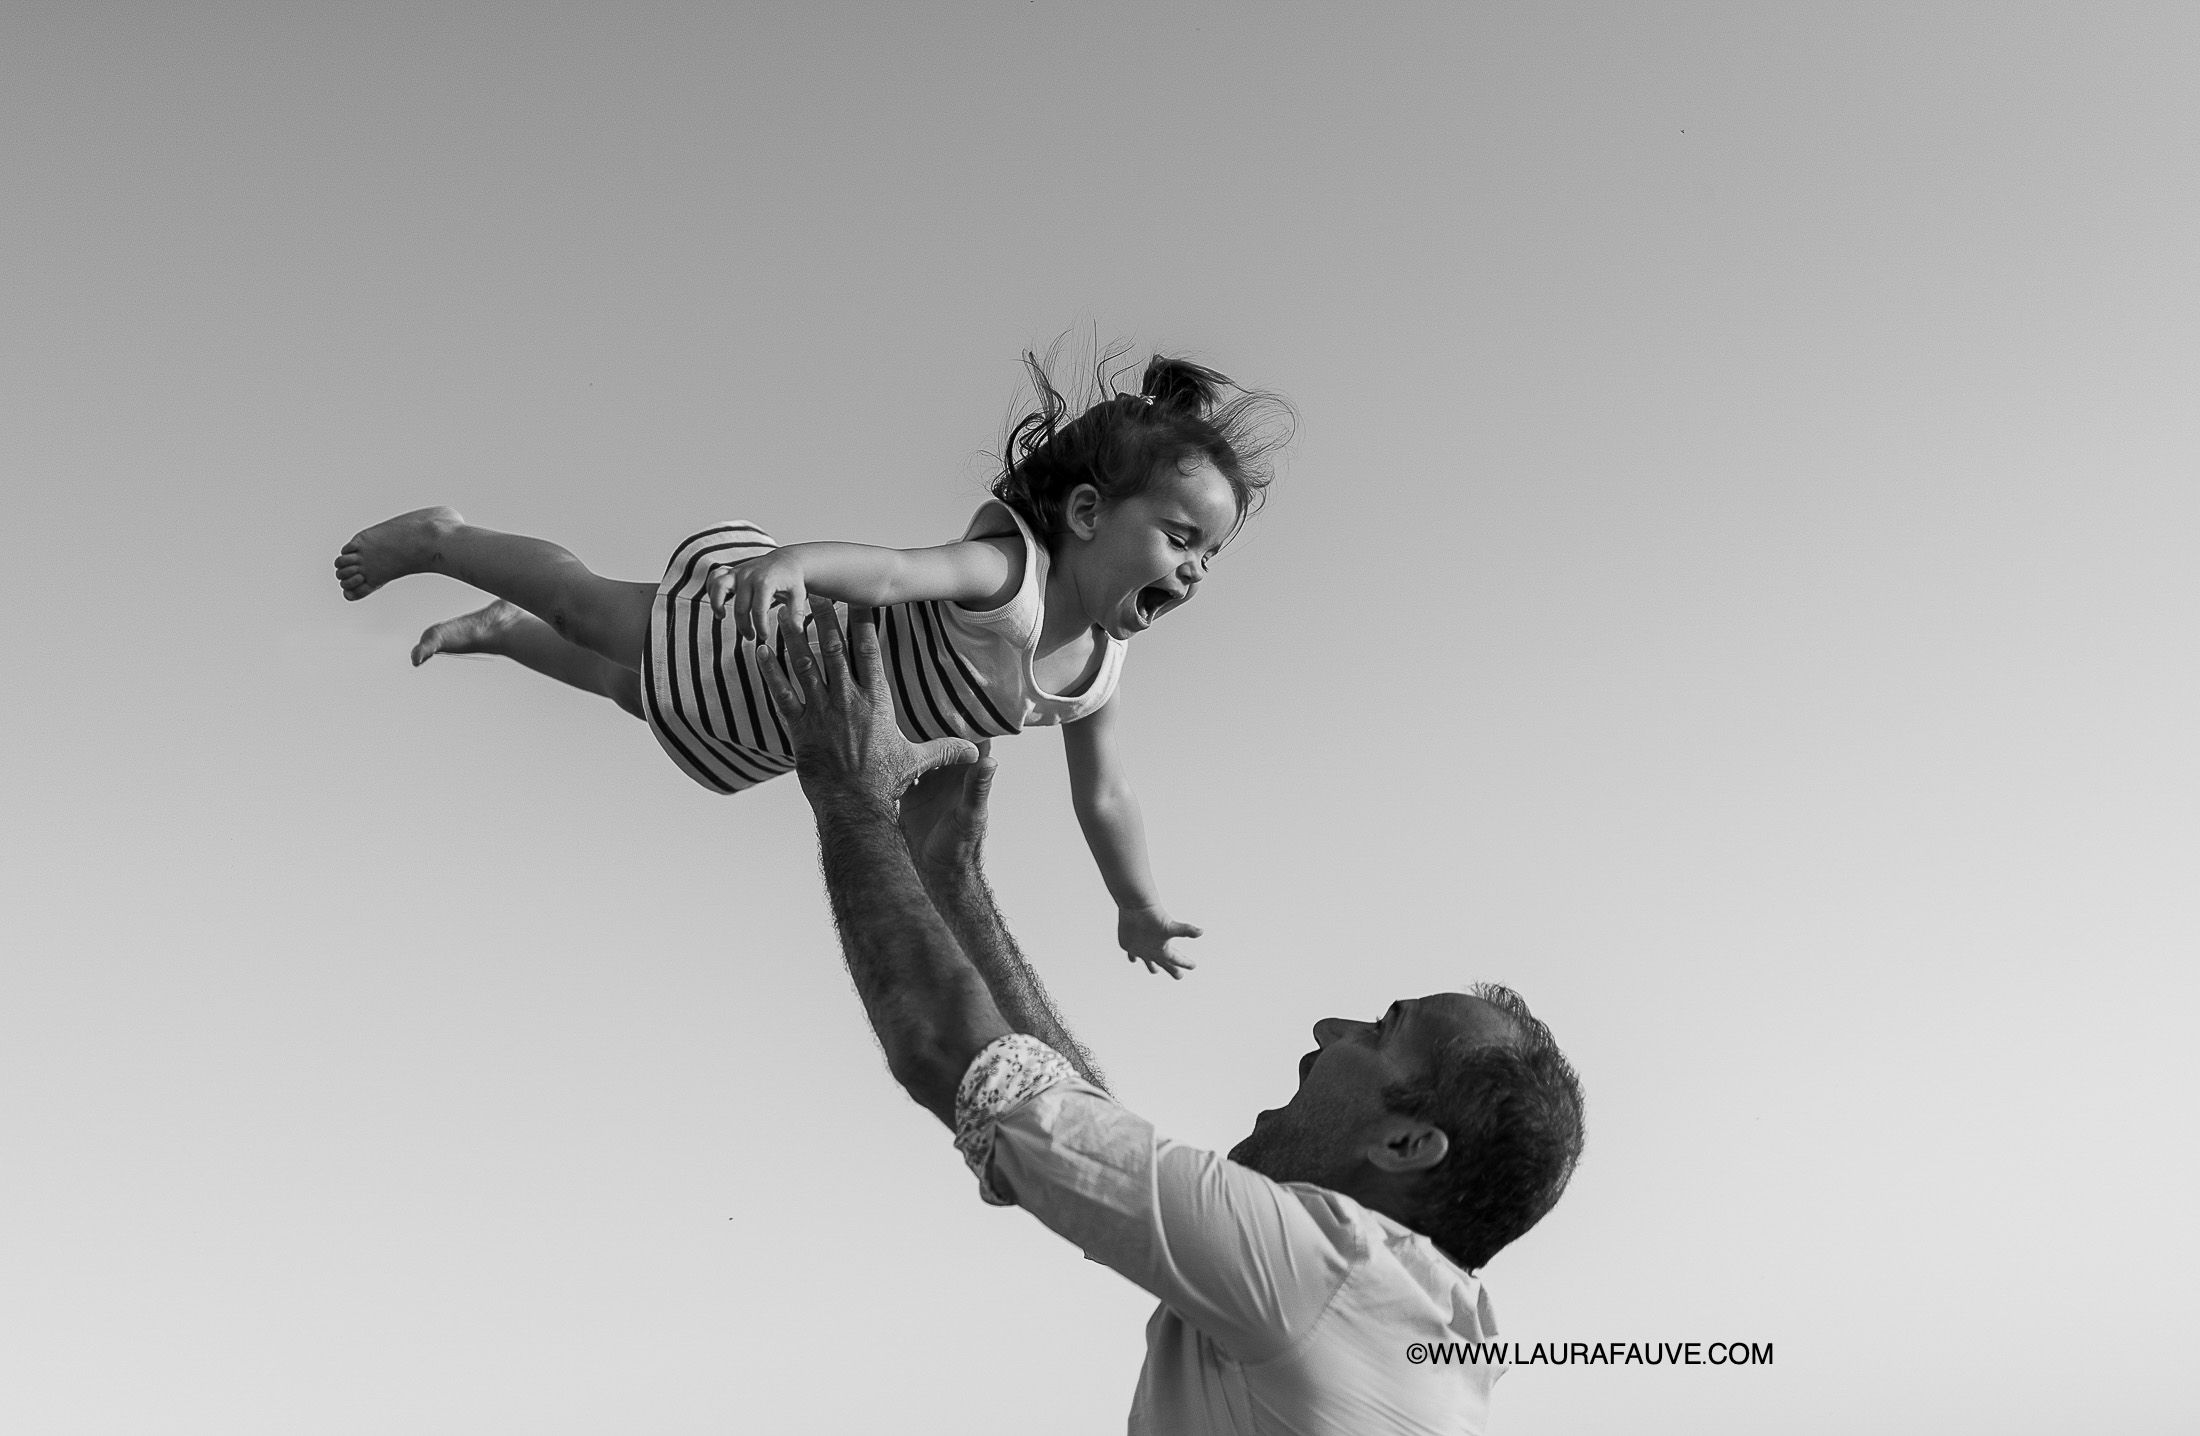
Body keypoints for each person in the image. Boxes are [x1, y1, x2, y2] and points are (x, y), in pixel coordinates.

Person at [757, 600, 1586, 1435]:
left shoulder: (1327, 1270)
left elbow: (955, 1060)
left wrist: (846, 790)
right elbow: (1078, 1131)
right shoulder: (1412, 1317)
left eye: (1379, 1031)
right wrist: (954, 885)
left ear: (1407, 1145)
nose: (1327, 1033)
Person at [332, 351, 1287, 977]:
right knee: (588, 610)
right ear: (1087, 517)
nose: (1195, 566)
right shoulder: (1008, 577)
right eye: (1178, 535)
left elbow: (1106, 796)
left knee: (635, 693)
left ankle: (502, 631)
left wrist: (1137, 906)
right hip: (768, 641)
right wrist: (794, 561)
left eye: (1209, 552)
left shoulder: (1097, 670)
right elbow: (892, 571)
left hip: (785, 725)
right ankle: (444, 537)